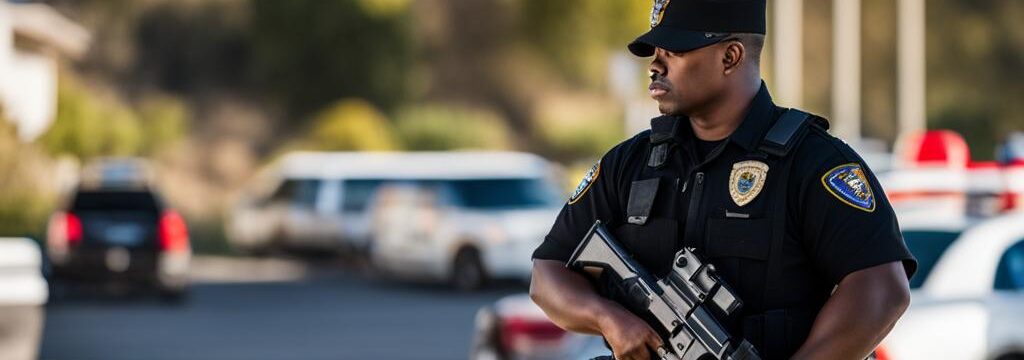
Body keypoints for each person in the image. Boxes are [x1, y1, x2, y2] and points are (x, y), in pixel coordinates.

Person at [528, 0, 918, 359]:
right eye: (655, 53)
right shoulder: (630, 162)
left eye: (674, 51)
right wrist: (608, 318)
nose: (655, 65)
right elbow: (548, 275)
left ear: (730, 56)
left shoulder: (812, 163)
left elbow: (882, 291)